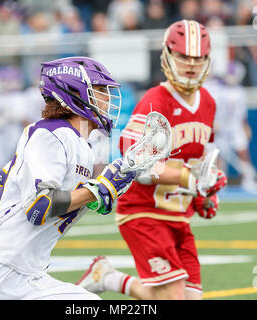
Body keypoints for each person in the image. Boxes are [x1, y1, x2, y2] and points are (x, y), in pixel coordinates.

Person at [0, 56, 137, 300]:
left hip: (30, 275)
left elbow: (11, 179)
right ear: (75, 92)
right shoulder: (49, 134)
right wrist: (97, 189)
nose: (107, 99)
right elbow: (39, 207)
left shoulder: (81, 146)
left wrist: (113, 183)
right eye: (99, 90)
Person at [77, 20, 227, 300]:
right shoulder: (155, 100)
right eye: (183, 56)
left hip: (179, 216)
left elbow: (200, 160)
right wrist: (190, 180)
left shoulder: (208, 102)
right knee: (172, 297)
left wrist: (202, 194)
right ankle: (107, 276)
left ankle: (108, 277)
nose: (190, 64)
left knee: (190, 298)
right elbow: (139, 166)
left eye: (197, 58)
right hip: (144, 211)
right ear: (168, 57)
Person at [204, 60, 257, 193]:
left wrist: (245, 125)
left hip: (235, 126)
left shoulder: (240, 91)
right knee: (217, 154)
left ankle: (248, 180)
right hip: (220, 126)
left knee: (242, 152)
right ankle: (219, 181)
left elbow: (242, 113)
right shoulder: (218, 88)